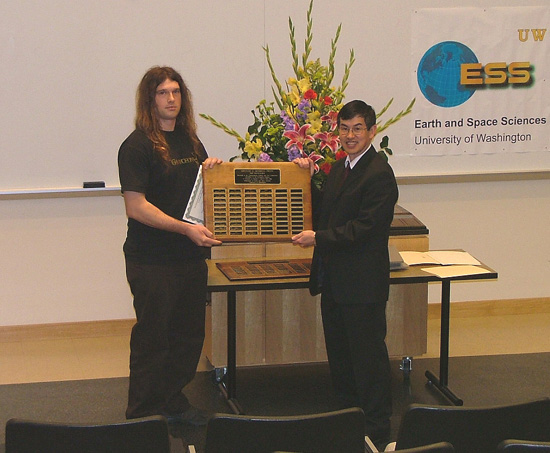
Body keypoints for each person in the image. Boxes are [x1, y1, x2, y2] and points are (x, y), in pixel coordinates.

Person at [118, 66, 222, 425]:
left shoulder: (192, 142)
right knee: (153, 337)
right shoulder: (136, 146)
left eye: (176, 91)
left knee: (188, 335)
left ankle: (172, 398)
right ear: (150, 100)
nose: (171, 98)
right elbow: (137, 206)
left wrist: (214, 173)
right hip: (151, 259)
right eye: (163, 93)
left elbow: (200, 194)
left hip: (189, 257)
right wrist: (184, 230)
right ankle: (143, 413)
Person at [292, 100, 398, 448]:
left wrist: (317, 238)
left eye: (357, 129)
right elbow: (325, 211)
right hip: (335, 283)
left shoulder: (379, 173)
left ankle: (377, 429)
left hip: (363, 286)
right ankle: (348, 420)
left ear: (372, 132)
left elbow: (364, 228)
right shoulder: (340, 169)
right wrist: (306, 182)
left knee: (367, 360)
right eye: (344, 129)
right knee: (340, 357)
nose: (349, 136)